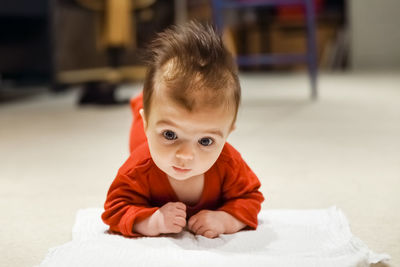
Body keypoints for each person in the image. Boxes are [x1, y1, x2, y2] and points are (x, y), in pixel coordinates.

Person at [101, 21, 264, 239]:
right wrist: (152, 221)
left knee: (167, 118)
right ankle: (140, 105)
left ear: (227, 134)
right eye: (170, 135)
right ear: (149, 123)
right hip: (145, 136)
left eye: (206, 141)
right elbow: (114, 210)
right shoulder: (138, 169)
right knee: (138, 136)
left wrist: (225, 219)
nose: (185, 155)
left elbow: (250, 198)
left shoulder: (229, 163)